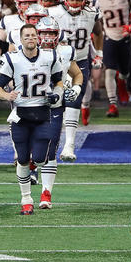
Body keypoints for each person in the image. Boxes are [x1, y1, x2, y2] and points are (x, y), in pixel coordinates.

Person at [0, 24, 64, 215]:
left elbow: (59, 82)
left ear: (38, 38)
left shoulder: (50, 56)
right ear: (20, 39)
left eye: (33, 35)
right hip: (21, 115)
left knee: (40, 158)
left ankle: (37, 178)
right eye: (27, 36)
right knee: (22, 160)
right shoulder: (12, 59)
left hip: (42, 114)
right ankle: (26, 199)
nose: (30, 38)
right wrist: (7, 96)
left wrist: (56, 94)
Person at [50, 0, 103, 162]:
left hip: (79, 61)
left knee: (74, 100)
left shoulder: (91, 13)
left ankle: (69, 145)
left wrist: (99, 53)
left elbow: (98, 31)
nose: (74, 3)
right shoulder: (53, 13)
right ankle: (49, 142)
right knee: (54, 103)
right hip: (56, 61)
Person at [35, 17, 83, 207]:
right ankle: (28, 176)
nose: (47, 37)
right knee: (29, 153)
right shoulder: (26, 52)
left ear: (57, 35)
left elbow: (77, 73)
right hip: (29, 106)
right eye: (44, 33)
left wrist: (77, 88)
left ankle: (46, 192)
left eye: (51, 33)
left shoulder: (65, 51)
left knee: (51, 147)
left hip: (54, 107)